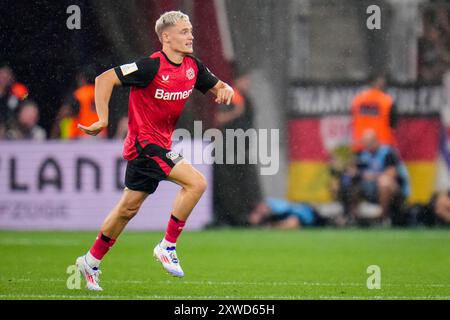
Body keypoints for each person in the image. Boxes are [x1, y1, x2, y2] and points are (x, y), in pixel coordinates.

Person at [74, 11, 234, 291]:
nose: (191, 36)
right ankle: (167, 245)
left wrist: (226, 90)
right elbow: (104, 80)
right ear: (166, 37)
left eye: (191, 30)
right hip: (145, 146)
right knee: (196, 183)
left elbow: (218, 86)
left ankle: (90, 260)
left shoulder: (192, 67)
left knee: (127, 209)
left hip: (159, 145)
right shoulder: (149, 67)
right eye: (184, 31)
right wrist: (103, 118)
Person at [212, 69, 262, 226]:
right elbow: (219, 119)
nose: (248, 83)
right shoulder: (229, 95)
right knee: (228, 186)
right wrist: (236, 112)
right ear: (237, 80)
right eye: (245, 80)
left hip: (241, 148)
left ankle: (246, 216)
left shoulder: (248, 99)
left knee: (245, 184)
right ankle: (230, 218)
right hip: (227, 148)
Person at [339, 129, 410, 224]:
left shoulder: (388, 153)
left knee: (384, 182)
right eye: (364, 142)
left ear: (376, 141)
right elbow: (352, 171)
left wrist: (369, 175)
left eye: (369, 142)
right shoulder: (361, 155)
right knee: (346, 181)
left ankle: (383, 218)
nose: (366, 145)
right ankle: (352, 217)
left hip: (394, 191)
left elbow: (391, 174)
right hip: (370, 188)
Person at [351, 73, 397, 151]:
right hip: (382, 146)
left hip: (361, 145)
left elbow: (353, 119)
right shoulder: (387, 100)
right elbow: (393, 123)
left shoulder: (358, 100)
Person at [0, 64, 29, 138]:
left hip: (13, 126)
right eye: (2, 76)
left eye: (7, 76)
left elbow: (26, 102)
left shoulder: (17, 90)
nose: (4, 79)